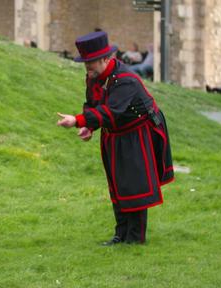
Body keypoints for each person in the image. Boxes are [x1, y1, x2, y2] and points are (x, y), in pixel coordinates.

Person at [56, 31, 174, 245]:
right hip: (115, 133)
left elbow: (110, 112)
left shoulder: (125, 80)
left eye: (91, 62)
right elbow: (92, 104)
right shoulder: (94, 76)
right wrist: (89, 127)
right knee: (117, 184)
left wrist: (78, 120)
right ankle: (121, 235)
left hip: (138, 132)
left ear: (106, 59)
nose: (87, 67)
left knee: (134, 184)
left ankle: (135, 239)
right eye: (85, 62)